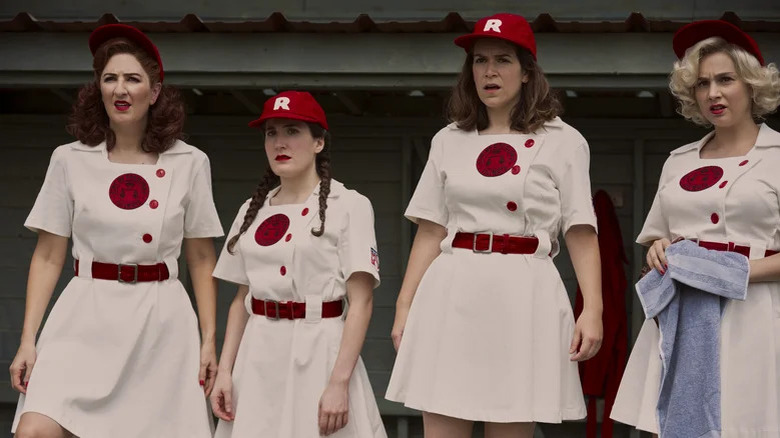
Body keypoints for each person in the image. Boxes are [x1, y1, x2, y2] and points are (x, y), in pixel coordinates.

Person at [385, 13, 603, 438]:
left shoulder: (563, 140)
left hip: (524, 293)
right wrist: (404, 305)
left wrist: (592, 308)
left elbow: (580, 230)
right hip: (451, 289)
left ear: (526, 73)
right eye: (479, 60)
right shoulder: (448, 139)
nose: (489, 71)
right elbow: (430, 229)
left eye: (503, 60)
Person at [8, 24, 223, 438]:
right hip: (84, 314)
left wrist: (208, 339)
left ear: (154, 91)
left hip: (159, 322)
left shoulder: (190, 162)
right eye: (110, 78)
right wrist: (28, 340)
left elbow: (200, 257)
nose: (120, 89)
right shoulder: (68, 159)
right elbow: (50, 254)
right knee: (35, 429)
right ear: (98, 89)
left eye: (132, 79)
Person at [610, 19, 780, 436]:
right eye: (702, 84)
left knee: (745, 423)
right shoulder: (679, 160)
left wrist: (725, 273)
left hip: (753, 315)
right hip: (680, 313)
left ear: (753, 84)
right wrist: (658, 248)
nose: (713, 94)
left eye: (726, 80)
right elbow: (656, 234)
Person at [209, 90, 387, 438]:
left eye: (292, 131)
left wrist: (339, 382)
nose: (280, 143)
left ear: (319, 142)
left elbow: (362, 302)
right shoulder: (251, 210)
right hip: (258, 354)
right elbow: (241, 299)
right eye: (271, 133)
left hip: (320, 352)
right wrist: (226, 370)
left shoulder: (349, 205)